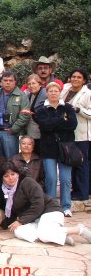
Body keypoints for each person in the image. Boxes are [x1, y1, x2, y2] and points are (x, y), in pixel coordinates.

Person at [0, 162, 91, 246]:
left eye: (13, 174)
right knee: (18, 231)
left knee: (43, 234)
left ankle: (79, 229)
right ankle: (60, 236)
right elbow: (13, 211)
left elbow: (38, 205)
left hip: (49, 211)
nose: (11, 178)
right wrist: (2, 226)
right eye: (6, 176)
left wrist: (20, 221)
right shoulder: (6, 191)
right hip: (34, 219)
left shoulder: (27, 182)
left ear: (18, 174)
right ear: (2, 178)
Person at [33, 82, 77, 216]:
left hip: (66, 148)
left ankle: (66, 206)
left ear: (60, 92)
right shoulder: (41, 109)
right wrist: (61, 120)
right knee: (51, 178)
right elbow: (44, 126)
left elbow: (72, 125)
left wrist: (53, 123)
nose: (53, 93)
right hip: (48, 148)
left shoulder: (67, 108)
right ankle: (51, 205)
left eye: (56, 91)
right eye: (50, 91)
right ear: (47, 93)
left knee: (65, 179)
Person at [59, 69, 90, 201]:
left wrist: (78, 110)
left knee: (81, 163)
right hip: (68, 133)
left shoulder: (87, 93)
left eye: (79, 77)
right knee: (72, 162)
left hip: (82, 134)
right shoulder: (66, 90)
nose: (75, 79)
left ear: (83, 80)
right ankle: (75, 190)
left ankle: (82, 193)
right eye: (73, 76)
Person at [0, 72, 30, 160]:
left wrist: (13, 129)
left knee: (12, 160)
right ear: (1, 82)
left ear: (15, 82)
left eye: (10, 80)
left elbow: (25, 115)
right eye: (5, 80)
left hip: (11, 133)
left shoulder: (21, 95)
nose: (8, 82)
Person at [20, 74, 47, 150]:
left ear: (39, 84)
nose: (31, 86)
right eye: (29, 84)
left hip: (41, 132)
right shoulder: (29, 95)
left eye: (34, 83)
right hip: (31, 132)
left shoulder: (45, 94)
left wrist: (33, 113)